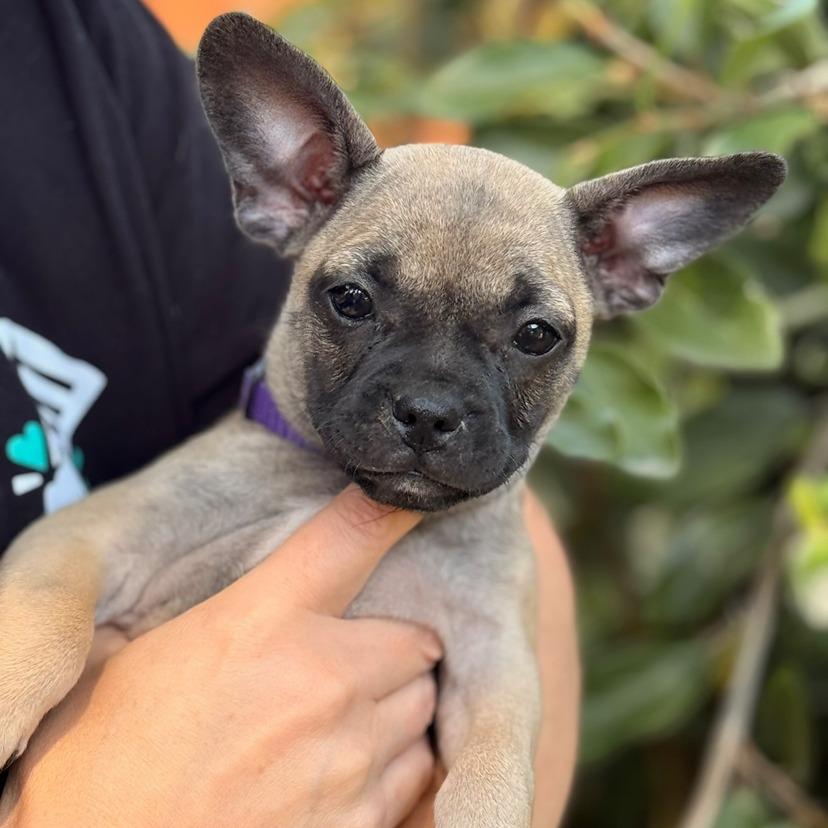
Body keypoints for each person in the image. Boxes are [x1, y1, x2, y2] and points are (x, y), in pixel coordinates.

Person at [0, 0, 579, 825]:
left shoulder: (80, 51)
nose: (428, 401)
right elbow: (73, 556)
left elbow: (499, 710)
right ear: (289, 192)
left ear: (620, 266)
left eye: (530, 337)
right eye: (356, 304)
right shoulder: (233, 464)